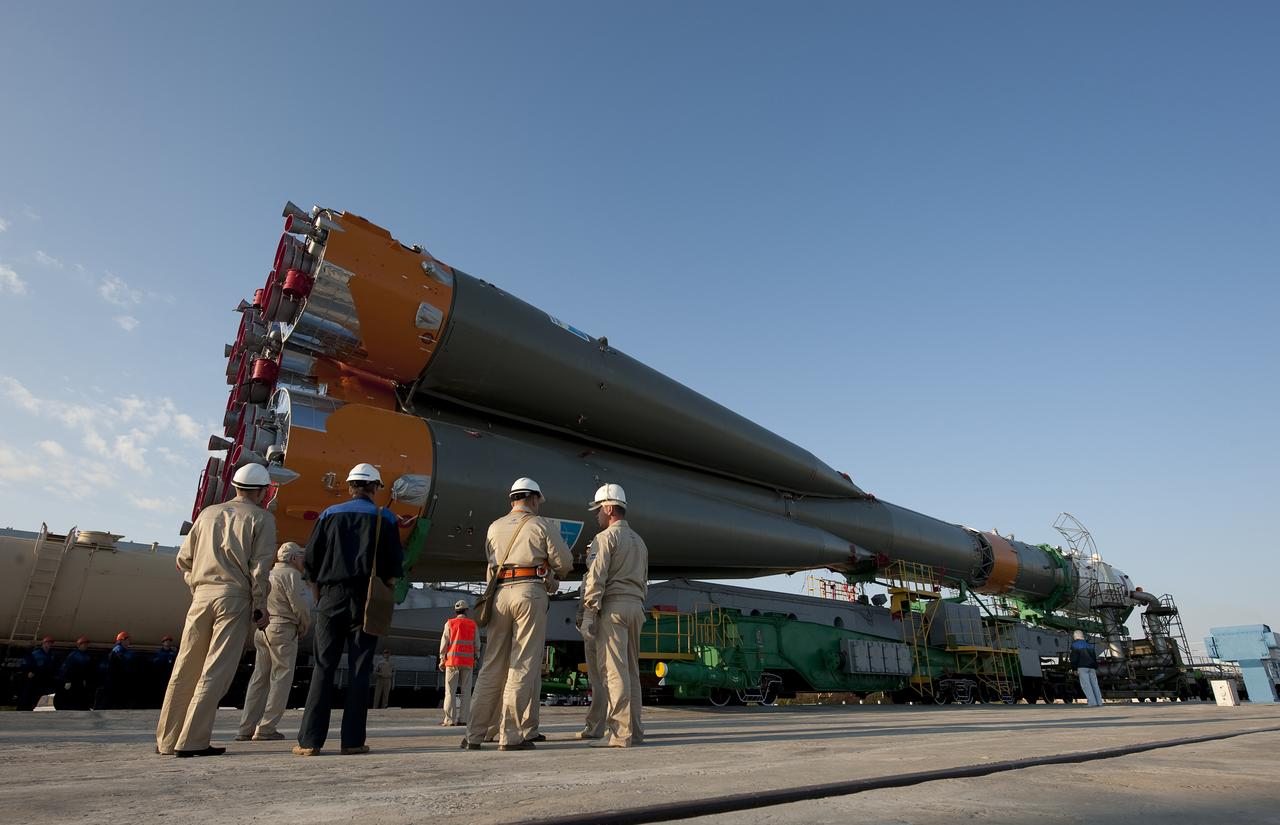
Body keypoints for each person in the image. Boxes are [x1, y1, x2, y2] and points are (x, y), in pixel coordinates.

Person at [155, 463, 275, 758]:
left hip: (200, 597)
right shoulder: (262, 518)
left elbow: (183, 560)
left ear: (235, 486)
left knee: (185, 667)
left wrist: (197, 585)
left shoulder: (207, 514)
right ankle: (192, 741)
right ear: (262, 491)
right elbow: (259, 569)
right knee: (215, 670)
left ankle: (167, 740)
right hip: (234, 598)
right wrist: (260, 606)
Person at [295, 463, 403, 757]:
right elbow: (394, 566)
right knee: (360, 668)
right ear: (375, 488)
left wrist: (319, 596)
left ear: (351, 486)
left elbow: (311, 561)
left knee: (323, 666)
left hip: (331, 596)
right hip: (367, 599)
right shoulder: (385, 517)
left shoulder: (329, 514)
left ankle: (309, 742)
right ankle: (352, 741)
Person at [462, 477, 572, 752]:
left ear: (512, 499)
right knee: (522, 663)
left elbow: (491, 566)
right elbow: (564, 562)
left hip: (499, 595)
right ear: (533, 499)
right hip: (528, 592)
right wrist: (551, 572)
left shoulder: (494, 526)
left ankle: (474, 734)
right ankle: (510, 735)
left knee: (491, 665)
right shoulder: (540, 524)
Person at [578, 483, 649, 748]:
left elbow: (596, 577)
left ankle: (619, 734)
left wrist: (589, 612)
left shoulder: (605, 538)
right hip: (636, 607)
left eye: (598, 509)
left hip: (614, 607)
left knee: (614, 672)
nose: (596, 515)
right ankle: (635, 731)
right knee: (631, 672)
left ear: (609, 509)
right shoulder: (639, 542)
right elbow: (644, 579)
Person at [237, 542, 312, 741]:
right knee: (281, 679)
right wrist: (304, 626)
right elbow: (300, 605)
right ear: (293, 558)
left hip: (263, 629)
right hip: (283, 629)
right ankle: (266, 728)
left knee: (259, 679)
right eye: (301, 556)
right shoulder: (292, 575)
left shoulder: (268, 574)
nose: (303, 560)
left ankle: (246, 727)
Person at [439, 600, 479, 726]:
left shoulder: (450, 623)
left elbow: (444, 642)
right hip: (467, 662)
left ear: (456, 611)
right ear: (466, 610)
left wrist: (442, 658)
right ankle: (464, 719)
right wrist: (476, 658)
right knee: (466, 692)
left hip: (452, 662)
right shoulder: (472, 624)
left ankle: (449, 720)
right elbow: (477, 644)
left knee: (450, 692)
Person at [17, 636, 58, 711]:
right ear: (43, 643)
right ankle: (24, 709)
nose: (49, 645)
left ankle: (34, 709)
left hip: (45, 679)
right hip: (35, 679)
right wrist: (28, 672)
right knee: (29, 695)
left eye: (50, 643)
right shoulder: (35, 654)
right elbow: (26, 664)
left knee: (39, 697)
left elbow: (53, 667)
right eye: (47, 643)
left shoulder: (51, 655)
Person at [57, 636, 95, 710]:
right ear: (79, 645)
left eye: (86, 644)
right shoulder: (73, 655)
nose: (86, 646)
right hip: (74, 680)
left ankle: (82, 707)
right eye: (84, 644)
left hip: (81, 680)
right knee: (73, 694)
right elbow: (67, 668)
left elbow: (87, 669)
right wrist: (68, 680)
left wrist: (85, 679)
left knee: (80, 694)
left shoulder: (87, 656)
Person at [101, 631, 135, 709]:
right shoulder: (118, 650)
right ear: (122, 640)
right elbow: (123, 663)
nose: (129, 641)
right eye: (127, 639)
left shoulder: (121, 650)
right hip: (117, 679)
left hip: (118, 678)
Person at [1070, 630, 1103, 707]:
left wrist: (1074, 669)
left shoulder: (1075, 645)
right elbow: (1094, 657)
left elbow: (1074, 658)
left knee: (1086, 685)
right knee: (1095, 685)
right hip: (1092, 668)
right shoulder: (1090, 645)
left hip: (1082, 667)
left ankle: (1092, 702)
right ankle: (1099, 702)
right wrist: (1095, 666)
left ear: (1075, 636)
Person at [150, 635, 177, 706]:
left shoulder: (173, 653)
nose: (168, 642)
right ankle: (159, 703)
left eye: (169, 641)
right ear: (163, 643)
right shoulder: (158, 653)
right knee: (160, 689)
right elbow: (153, 661)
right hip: (160, 675)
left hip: (169, 674)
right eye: (166, 641)